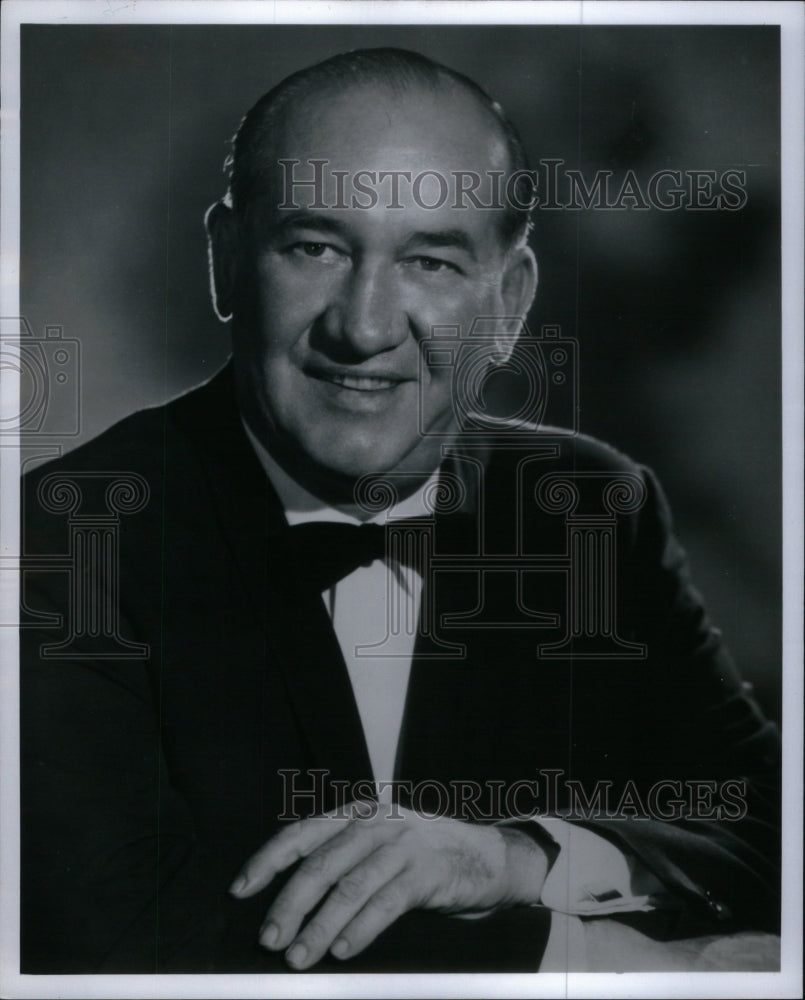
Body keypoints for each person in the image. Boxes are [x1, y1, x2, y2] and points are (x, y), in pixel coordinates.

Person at [20, 47, 780, 974]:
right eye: (315, 247)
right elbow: (109, 933)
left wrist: (514, 859)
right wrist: (608, 961)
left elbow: (763, 822)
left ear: (509, 304)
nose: (366, 326)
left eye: (428, 260)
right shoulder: (66, 537)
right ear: (224, 261)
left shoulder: (589, 507)